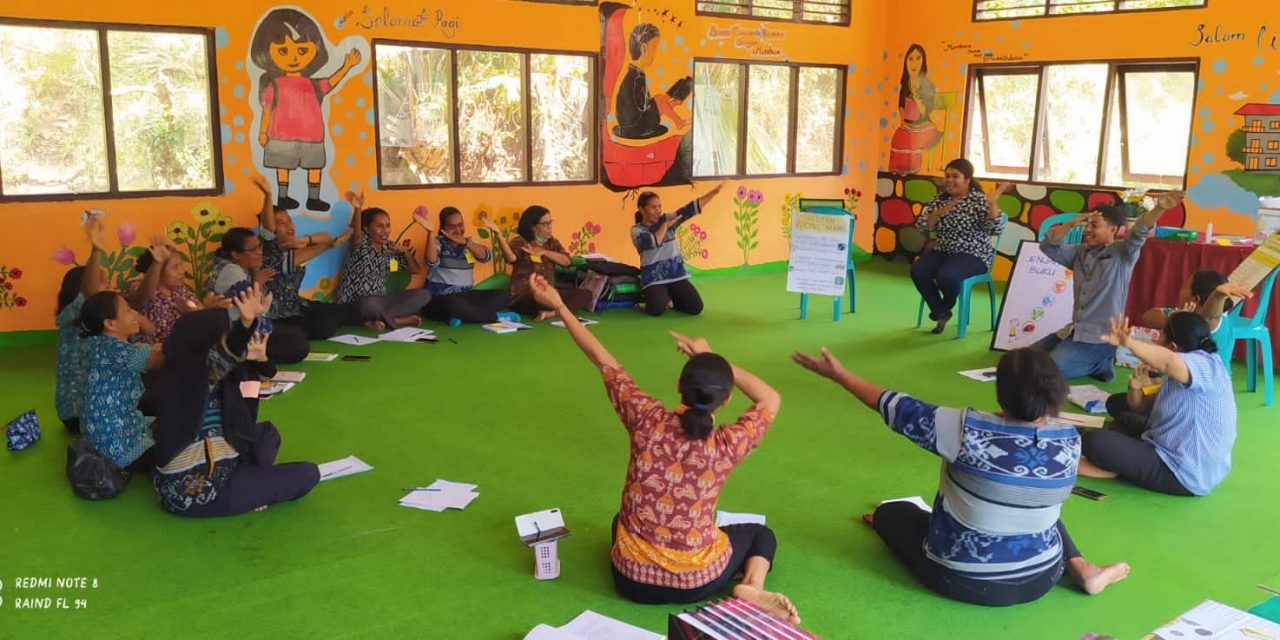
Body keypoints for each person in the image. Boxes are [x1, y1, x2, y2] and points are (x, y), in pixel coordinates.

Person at [527, 274, 799, 623]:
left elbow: (603, 360)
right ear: (727, 400)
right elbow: (770, 397)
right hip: (697, 582)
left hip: (631, 580)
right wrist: (713, 358)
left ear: (678, 385)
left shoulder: (646, 419)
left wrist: (560, 306)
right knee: (761, 535)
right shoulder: (727, 444)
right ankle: (752, 584)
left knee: (619, 522)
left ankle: (733, 582)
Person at [792, 346, 1129, 605]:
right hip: (1044, 575)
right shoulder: (1068, 439)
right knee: (1034, 500)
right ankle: (1082, 568)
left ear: (1001, 394)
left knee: (891, 514)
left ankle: (906, 525)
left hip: (964, 579)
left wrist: (840, 375)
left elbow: (894, 405)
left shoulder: (965, 428)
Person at [151, 284, 321, 517]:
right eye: (221, 335)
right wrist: (246, 323)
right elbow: (226, 354)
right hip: (201, 490)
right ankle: (252, 490)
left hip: (221, 460)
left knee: (267, 433)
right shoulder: (189, 376)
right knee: (308, 473)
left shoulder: (200, 369)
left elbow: (264, 377)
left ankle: (253, 486)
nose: (226, 339)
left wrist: (261, 358)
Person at [1080, 313, 1237, 496]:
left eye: (1159, 338)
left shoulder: (1204, 365)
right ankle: (1123, 457)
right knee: (1118, 405)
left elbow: (1168, 361)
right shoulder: (1190, 369)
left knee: (1094, 441)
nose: (1155, 343)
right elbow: (1141, 407)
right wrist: (1136, 387)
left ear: (1172, 347)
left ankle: (1115, 468)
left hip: (1183, 473)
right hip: (1173, 443)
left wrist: (1128, 342)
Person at [1034, 191, 1184, 381]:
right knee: (1027, 358)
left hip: (1101, 338)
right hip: (1075, 331)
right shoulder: (1079, 253)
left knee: (1046, 371)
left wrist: (1159, 208)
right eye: (1087, 224)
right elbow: (1048, 246)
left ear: (1113, 229)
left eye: (1094, 225)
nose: (1088, 229)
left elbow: (1138, 233)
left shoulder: (1122, 253)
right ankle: (1096, 363)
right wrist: (1073, 223)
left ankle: (1100, 362)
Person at [251, 7, 360, 212]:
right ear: (266, 51)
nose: (293, 57)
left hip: (312, 135)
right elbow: (267, 110)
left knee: (314, 166)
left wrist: (347, 66)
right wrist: (262, 133)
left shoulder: (312, 84)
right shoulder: (273, 84)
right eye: (283, 50)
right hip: (281, 136)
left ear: (315, 51)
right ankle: (283, 197)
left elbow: (331, 82)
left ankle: (313, 198)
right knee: (283, 167)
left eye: (302, 50)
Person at [251, 174, 358, 339]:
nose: (288, 226)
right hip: (278, 314)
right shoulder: (268, 251)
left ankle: (365, 322)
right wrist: (268, 195)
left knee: (346, 311)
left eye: (289, 220)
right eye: (281, 223)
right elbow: (267, 229)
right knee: (324, 327)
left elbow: (326, 239)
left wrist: (305, 240)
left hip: (297, 305)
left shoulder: (293, 249)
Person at [910, 158, 1010, 333]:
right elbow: (922, 227)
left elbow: (995, 228)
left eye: (955, 176)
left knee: (947, 276)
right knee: (918, 271)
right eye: (947, 176)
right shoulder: (938, 200)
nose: (949, 180)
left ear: (967, 179)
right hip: (944, 250)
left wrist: (993, 203)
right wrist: (938, 213)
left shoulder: (977, 200)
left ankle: (943, 307)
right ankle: (942, 311)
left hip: (974, 253)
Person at [78, 291, 164, 474]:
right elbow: (159, 359)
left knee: (159, 422)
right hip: (119, 449)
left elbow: (146, 352)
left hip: (100, 439)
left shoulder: (101, 345)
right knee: (177, 437)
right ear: (110, 324)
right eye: (127, 310)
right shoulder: (116, 351)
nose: (134, 313)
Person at [208, 227, 311, 363]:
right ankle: (248, 359)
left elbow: (265, 306)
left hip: (253, 325)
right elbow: (254, 306)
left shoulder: (244, 267)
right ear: (236, 254)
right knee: (297, 344)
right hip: (237, 333)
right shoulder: (230, 271)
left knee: (299, 334)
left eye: (259, 247)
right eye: (253, 250)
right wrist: (257, 282)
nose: (260, 253)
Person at [335, 191, 434, 329]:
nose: (385, 231)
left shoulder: (390, 247)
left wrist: (405, 252)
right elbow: (355, 233)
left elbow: (415, 270)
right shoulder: (362, 243)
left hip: (381, 301)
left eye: (388, 226)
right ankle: (396, 320)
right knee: (368, 304)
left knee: (424, 294)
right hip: (356, 303)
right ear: (367, 229)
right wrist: (358, 209)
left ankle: (379, 319)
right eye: (379, 226)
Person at [631, 185, 725, 317]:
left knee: (695, 307)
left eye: (659, 206)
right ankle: (657, 295)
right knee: (656, 310)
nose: (658, 211)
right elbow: (654, 241)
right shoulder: (637, 230)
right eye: (653, 207)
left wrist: (713, 192)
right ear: (642, 209)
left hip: (676, 274)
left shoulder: (667, 219)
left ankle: (670, 298)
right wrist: (665, 225)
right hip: (654, 278)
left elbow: (688, 210)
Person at [55, 216, 108, 433]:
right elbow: (92, 292)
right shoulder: (76, 312)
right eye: (106, 282)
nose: (110, 287)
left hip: (76, 413)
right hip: (81, 414)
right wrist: (96, 250)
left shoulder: (73, 317)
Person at [422, 207, 512, 324]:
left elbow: (486, 256)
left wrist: (465, 243)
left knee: (503, 295)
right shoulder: (437, 242)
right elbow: (431, 262)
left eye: (460, 225)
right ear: (443, 228)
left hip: (465, 297)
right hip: (440, 298)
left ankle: (462, 315)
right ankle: (495, 317)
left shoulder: (469, 242)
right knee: (453, 303)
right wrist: (430, 233)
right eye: (452, 227)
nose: (458, 230)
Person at [128, 240, 229, 345]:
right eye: (175, 267)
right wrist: (157, 262)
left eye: (181, 266)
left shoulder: (181, 290)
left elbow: (198, 316)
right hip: (155, 354)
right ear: (157, 269)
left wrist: (206, 309)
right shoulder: (137, 287)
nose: (182, 271)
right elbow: (141, 299)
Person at [504, 206, 595, 321]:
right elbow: (511, 258)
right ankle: (554, 309)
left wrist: (544, 252)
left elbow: (566, 262)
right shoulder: (520, 242)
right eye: (545, 224)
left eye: (550, 223)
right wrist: (499, 237)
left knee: (586, 294)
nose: (549, 227)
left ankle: (551, 313)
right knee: (540, 300)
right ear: (533, 227)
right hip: (523, 296)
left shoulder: (551, 242)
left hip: (546, 293)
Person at [613, 22, 690, 139]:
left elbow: (645, 104)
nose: (655, 53)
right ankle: (679, 122)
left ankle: (677, 100)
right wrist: (661, 103)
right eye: (654, 48)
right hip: (635, 126)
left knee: (660, 100)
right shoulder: (635, 77)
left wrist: (666, 103)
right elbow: (643, 106)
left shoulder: (636, 74)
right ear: (643, 48)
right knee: (659, 99)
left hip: (635, 122)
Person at [887, 44, 941, 175]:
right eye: (910, 59)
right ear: (906, 62)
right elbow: (901, 106)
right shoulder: (905, 85)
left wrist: (917, 100)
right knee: (898, 137)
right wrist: (902, 122)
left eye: (918, 58)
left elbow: (926, 111)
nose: (914, 63)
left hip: (924, 126)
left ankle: (911, 172)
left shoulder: (927, 85)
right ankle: (898, 173)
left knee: (911, 140)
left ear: (923, 61)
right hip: (908, 125)